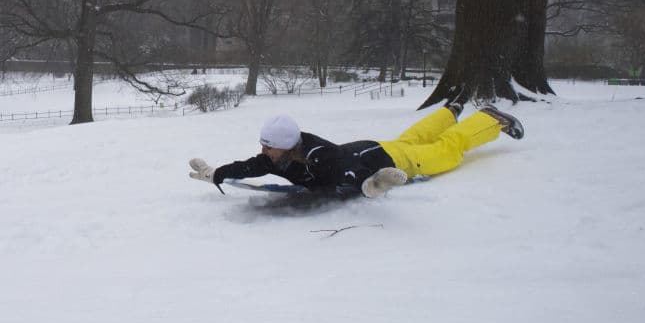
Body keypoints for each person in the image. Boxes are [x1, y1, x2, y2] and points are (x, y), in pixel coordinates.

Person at [189, 103, 524, 198]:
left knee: (447, 150)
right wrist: (217, 172)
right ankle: (450, 111)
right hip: (371, 147)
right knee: (412, 136)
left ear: (285, 145)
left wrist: (372, 184)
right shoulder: (282, 156)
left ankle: (489, 120)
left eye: (268, 145)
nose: (263, 150)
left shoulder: (321, 156)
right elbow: (251, 166)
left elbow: (347, 171)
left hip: (390, 160)